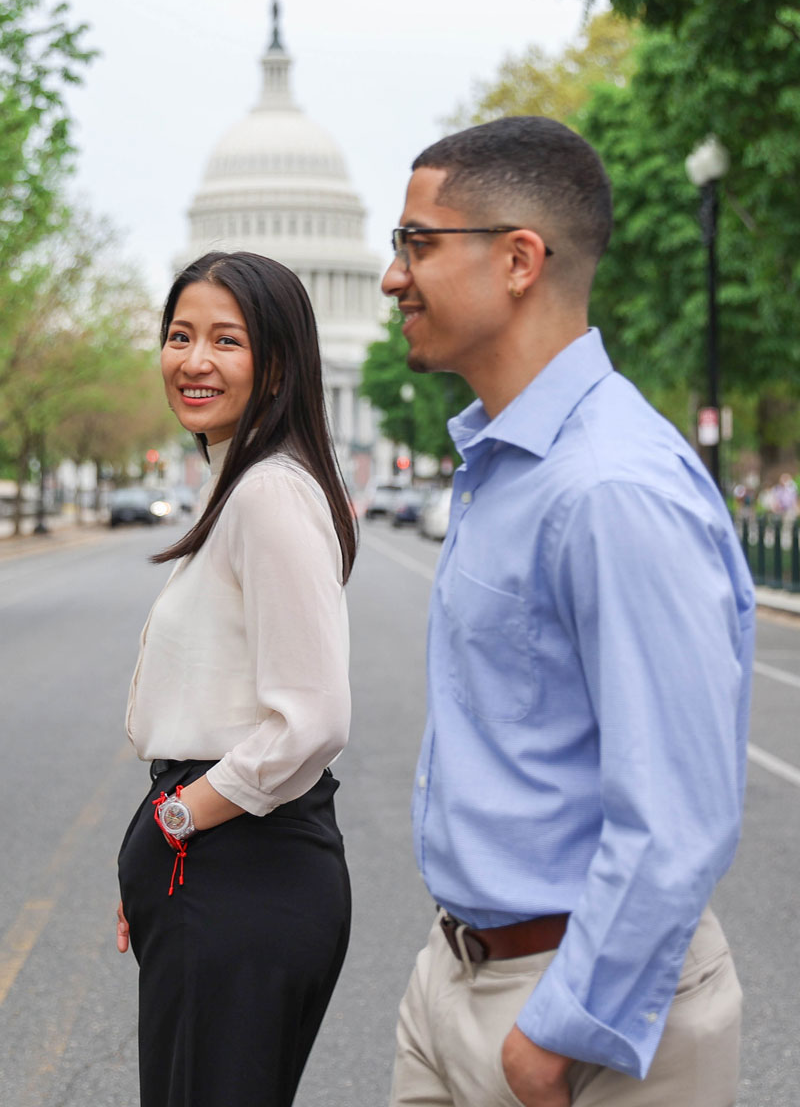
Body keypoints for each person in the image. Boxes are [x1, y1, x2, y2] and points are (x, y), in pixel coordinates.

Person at [382, 117, 754, 1107]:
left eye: (416, 243)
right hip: (453, 982)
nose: (392, 278)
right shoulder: (501, 470)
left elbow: (676, 812)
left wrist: (554, 1032)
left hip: (583, 1021)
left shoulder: (609, 489)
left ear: (516, 260)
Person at [116, 250, 355, 1107]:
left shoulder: (267, 495)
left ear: (279, 362)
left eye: (226, 339)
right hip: (217, 870)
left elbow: (313, 717)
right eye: (180, 336)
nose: (194, 360)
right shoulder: (242, 485)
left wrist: (175, 822)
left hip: (237, 868)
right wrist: (159, 848)